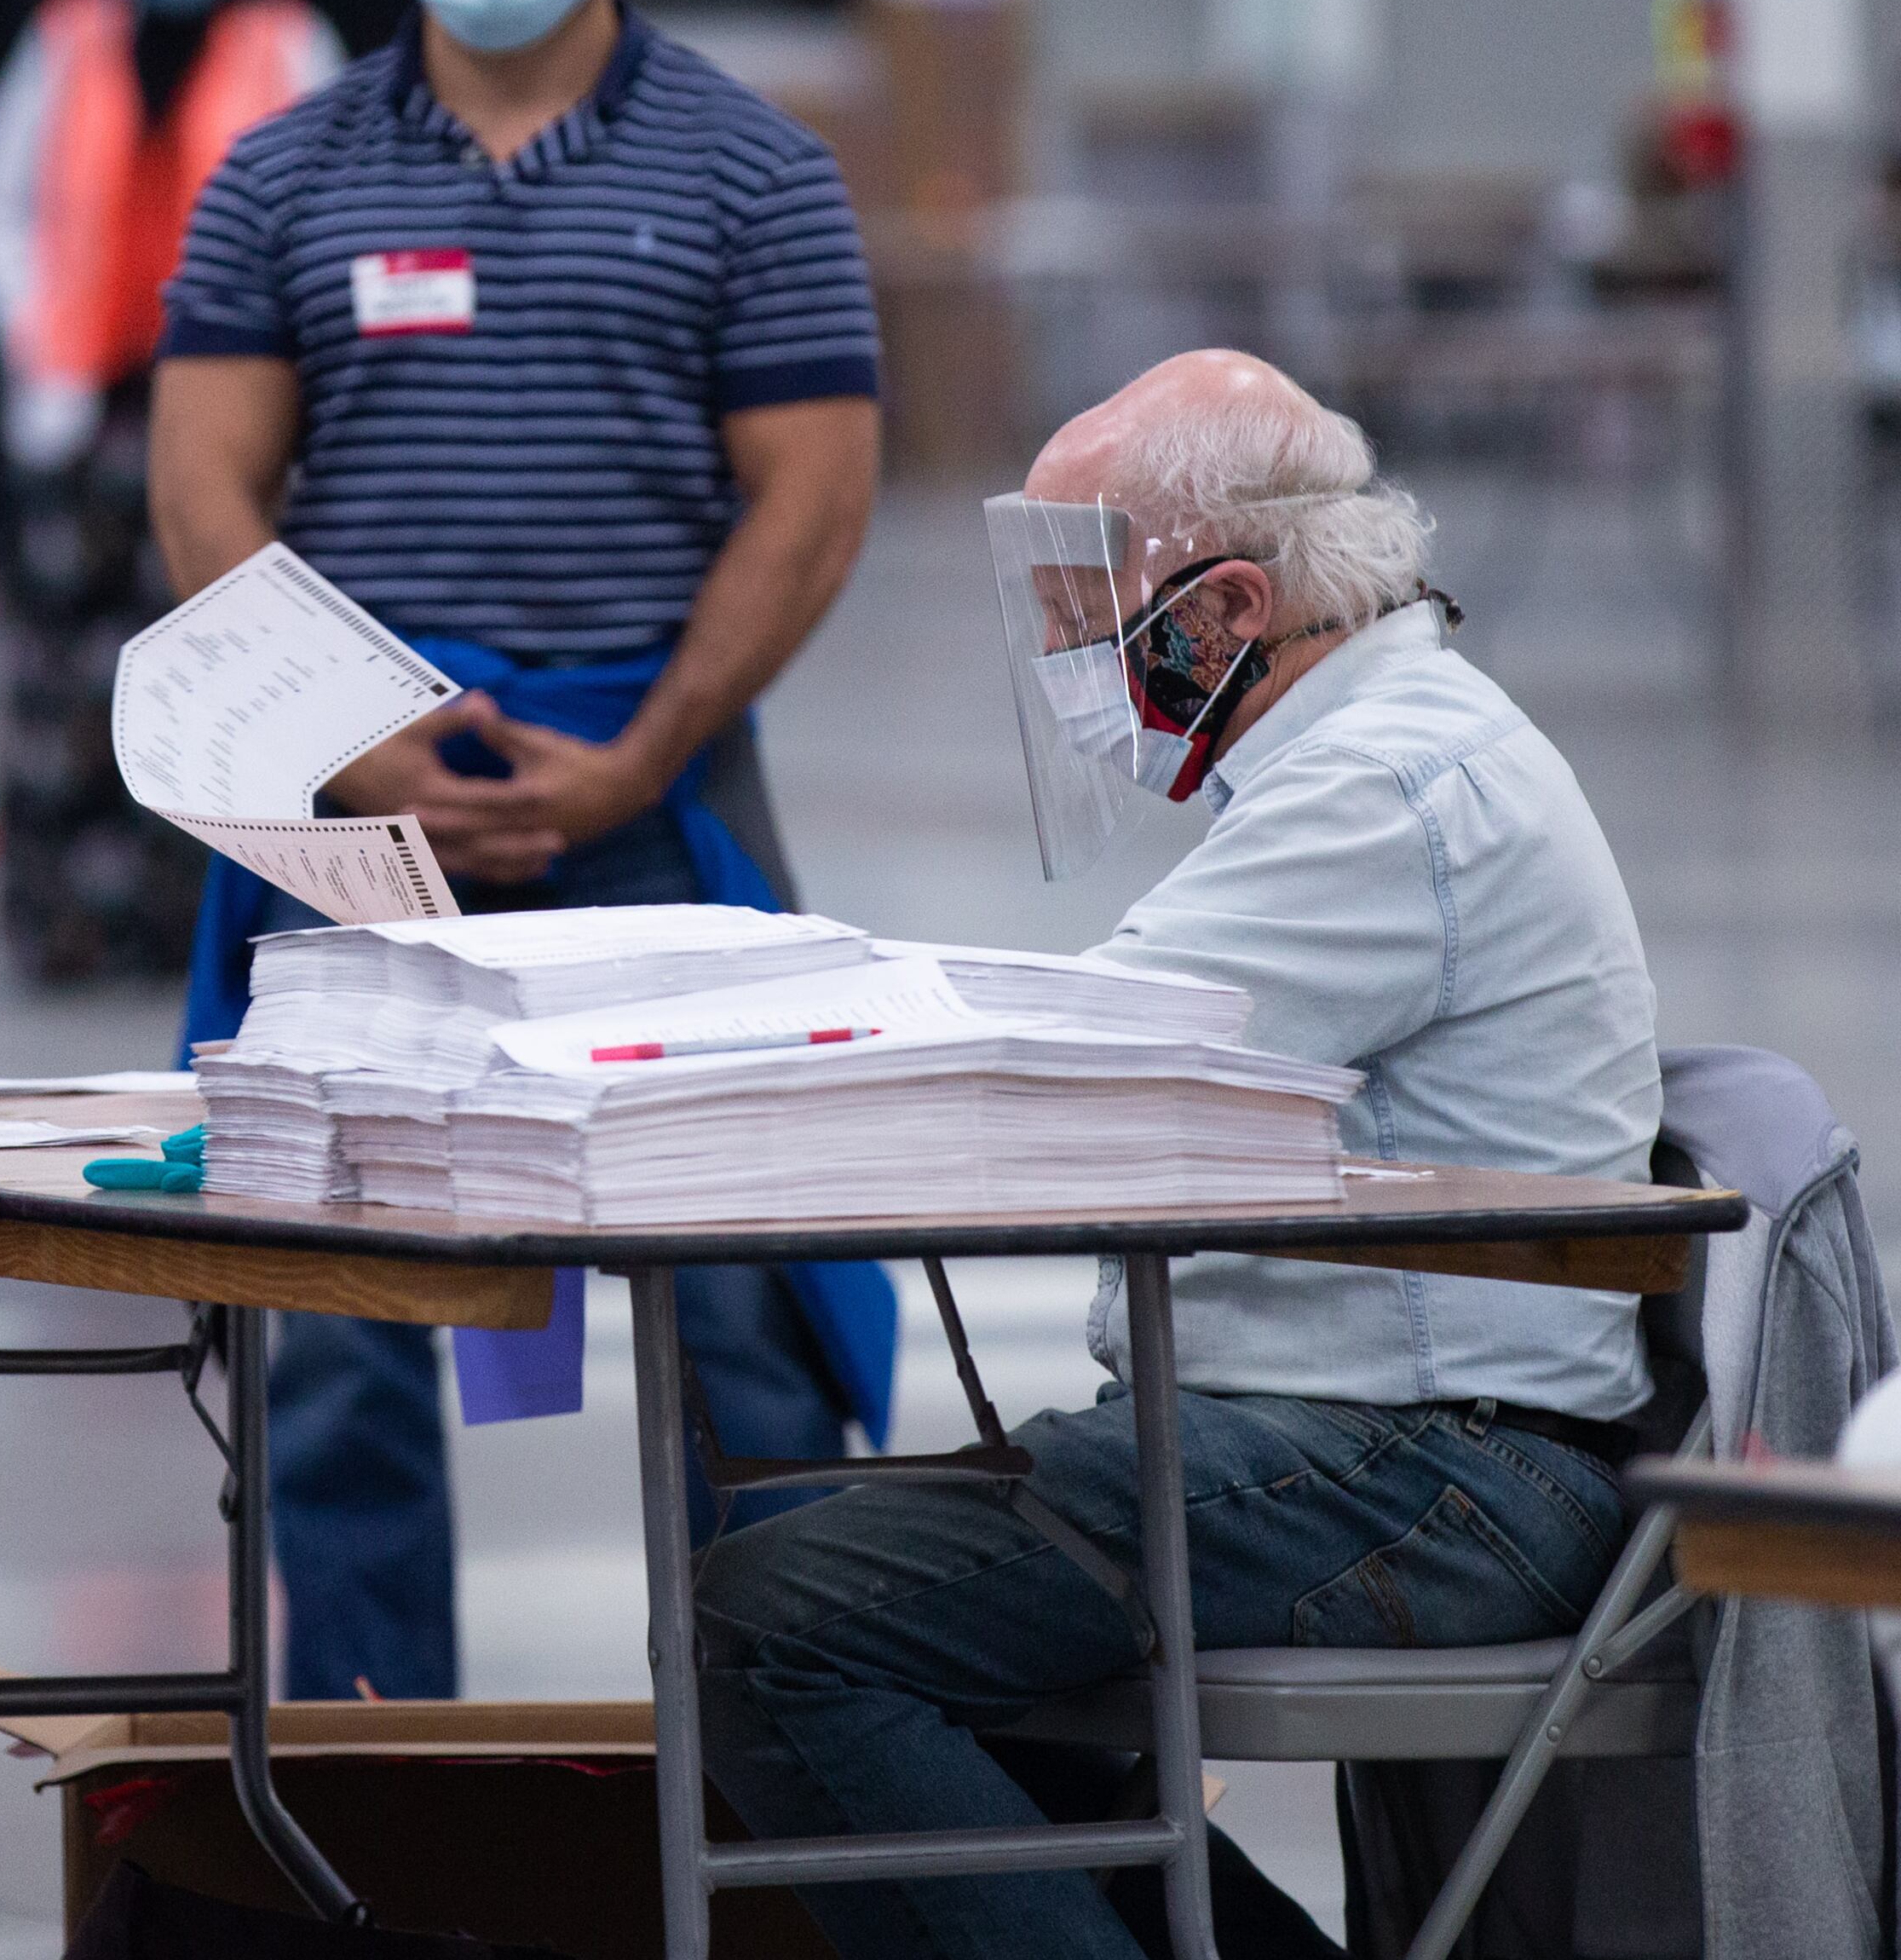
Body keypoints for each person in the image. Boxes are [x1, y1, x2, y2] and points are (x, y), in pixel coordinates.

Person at [694, 351, 1663, 1960]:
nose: (1069, 650)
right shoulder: (1365, 753)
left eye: (1088, 600)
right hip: (1363, 1434)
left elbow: (1078, 1076)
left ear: (1222, 610)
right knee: (904, 1621)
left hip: (1436, 1467)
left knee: (769, 1627)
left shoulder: (1384, 784)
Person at [147, 0, 888, 1701]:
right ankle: (377, 1796)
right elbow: (201, 483)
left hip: (654, 808)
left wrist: (644, 751)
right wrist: (346, 746)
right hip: (349, 828)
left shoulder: (754, 173)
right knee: (332, 1336)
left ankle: (801, 1758)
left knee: (745, 1323)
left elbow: (814, 493)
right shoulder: (282, 177)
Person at [0, 0, 343, 981]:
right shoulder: (70, 37)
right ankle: (64, 926)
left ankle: (202, 925)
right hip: (83, 411)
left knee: (221, 662)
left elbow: (327, 215)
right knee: (62, 672)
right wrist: (36, 327)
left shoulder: (288, 43)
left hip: (227, 416)